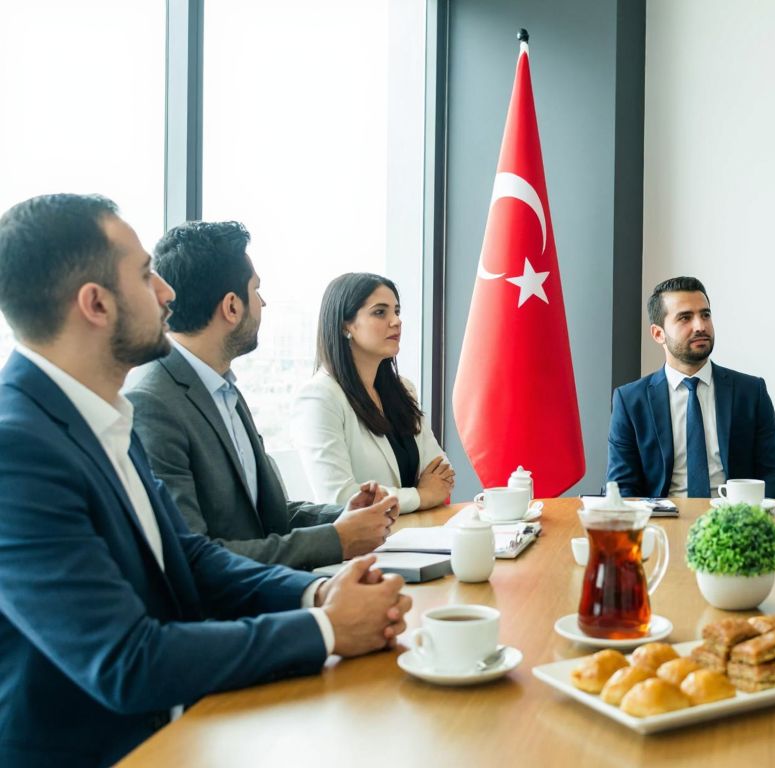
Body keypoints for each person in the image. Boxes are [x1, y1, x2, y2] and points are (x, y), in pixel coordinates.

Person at [0, 194, 411, 766]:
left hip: (189, 724)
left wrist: (315, 592)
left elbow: (189, 558)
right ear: (95, 304)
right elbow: (127, 662)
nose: (167, 292)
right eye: (146, 275)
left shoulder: (102, 414)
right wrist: (325, 628)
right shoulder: (15, 449)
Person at [127, 221, 397, 569]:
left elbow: (266, 518)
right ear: (231, 306)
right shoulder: (152, 402)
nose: (264, 303)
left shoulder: (224, 389)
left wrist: (344, 516)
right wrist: (338, 539)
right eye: (256, 290)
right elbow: (192, 558)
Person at [607, 276, 775, 499]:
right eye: (685, 318)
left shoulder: (750, 392)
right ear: (658, 333)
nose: (700, 326)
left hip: (734, 522)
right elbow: (622, 487)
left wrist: (746, 520)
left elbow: (774, 474)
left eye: (705, 315)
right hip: (663, 525)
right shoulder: (630, 400)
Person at [293, 273, 453, 512]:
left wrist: (426, 493)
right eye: (380, 312)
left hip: (419, 536)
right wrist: (420, 496)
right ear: (345, 325)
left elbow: (442, 472)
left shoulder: (404, 388)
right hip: (364, 546)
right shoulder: (319, 397)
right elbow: (340, 497)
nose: (396, 321)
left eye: (396, 311)